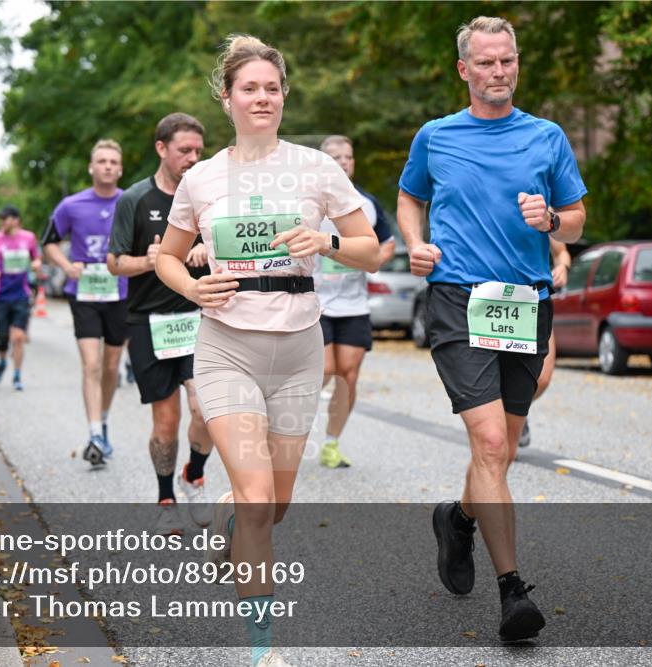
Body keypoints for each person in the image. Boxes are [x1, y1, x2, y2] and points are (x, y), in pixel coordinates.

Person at [156, 35, 380, 667]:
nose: (262, 97)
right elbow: (167, 259)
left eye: (272, 88)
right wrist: (196, 286)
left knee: (274, 507)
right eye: (249, 88)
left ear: (285, 96)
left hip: (300, 350)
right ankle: (262, 651)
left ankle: (232, 516)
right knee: (259, 500)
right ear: (226, 99)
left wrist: (326, 239)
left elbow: (371, 249)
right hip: (227, 348)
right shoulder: (200, 178)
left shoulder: (317, 168)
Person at [396, 16, 587, 642]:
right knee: (493, 447)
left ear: (516, 64)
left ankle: (457, 520)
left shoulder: (548, 136)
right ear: (464, 70)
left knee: (495, 450)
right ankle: (513, 594)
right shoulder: (436, 136)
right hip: (457, 300)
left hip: (525, 303)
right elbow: (409, 196)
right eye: (485, 63)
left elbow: (578, 222)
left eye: (506, 61)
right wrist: (415, 244)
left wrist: (552, 217)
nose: (498, 72)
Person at [108, 116, 217, 534]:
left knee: (205, 409)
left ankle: (196, 475)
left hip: (198, 317)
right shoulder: (135, 199)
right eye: (183, 151)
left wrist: (208, 247)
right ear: (161, 149)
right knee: (167, 421)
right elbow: (114, 261)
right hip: (148, 322)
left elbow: (230, 246)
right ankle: (165, 497)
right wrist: (150, 261)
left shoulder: (208, 198)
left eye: (197, 151)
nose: (192, 158)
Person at [42, 139, 128, 464]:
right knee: (91, 364)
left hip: (121, 293)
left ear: (119, 169)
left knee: (110, 366)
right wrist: (66, 267)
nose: (107, 166)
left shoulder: (130, 202)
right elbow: (49, 242)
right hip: (85, 295)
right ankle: (93, 433)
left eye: (112, 162)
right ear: (91, 168)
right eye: (101, 161)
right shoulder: (71, 205)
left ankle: (102, 420)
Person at [313, 135, 396, 468]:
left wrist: (370, 259)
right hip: (314, 302)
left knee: (348, 374)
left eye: (348, 156)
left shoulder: (367, 203)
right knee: (324, 369)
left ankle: (331, 443)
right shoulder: (307, 200)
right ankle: (289, 428)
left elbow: (385, 243)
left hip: (353, 304)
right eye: (335, 156)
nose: (343, 161)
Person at [0, 205, 41, 391]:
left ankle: (17, 375)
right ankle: (2, 363)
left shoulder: (28, 237)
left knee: (19, 337)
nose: (1, 222)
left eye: (5, 218)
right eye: (0, 218)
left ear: (16, 219)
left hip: (21, 294)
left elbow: (36, 258)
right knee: (3, 337)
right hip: (0, 294)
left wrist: (36, 265)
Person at [518, 237, 571, 448]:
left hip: (534, 302)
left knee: (542, 379)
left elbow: (561, 252)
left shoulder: (539, 208)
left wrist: (563, 267)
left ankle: (517, 408)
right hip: (493, 299)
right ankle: (503, 416)